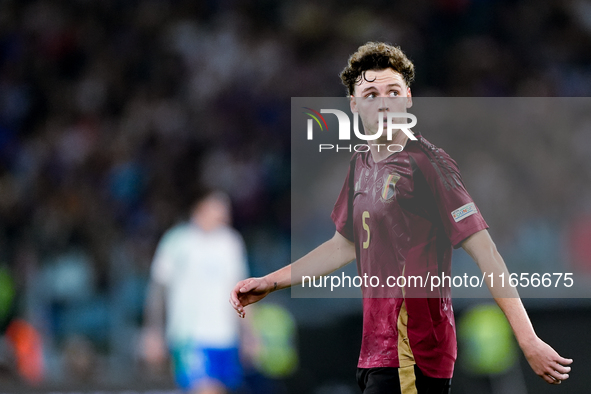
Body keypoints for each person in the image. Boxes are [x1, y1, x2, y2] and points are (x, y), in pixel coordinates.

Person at [229, 42, 573, 394]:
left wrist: (528, 340)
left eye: (392, 91)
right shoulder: (360, 164)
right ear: (354, 104)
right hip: (376, 352)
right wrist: (270, 282)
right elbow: (344, 245)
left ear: (407, 98)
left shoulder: (429, 164)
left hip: (415, 351)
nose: (382, 102)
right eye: (371, 93)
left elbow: (488, 254)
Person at [144, 190, 248, 394]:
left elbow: (242, 291)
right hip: (190, 334)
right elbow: (158, 289)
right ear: (200, 209)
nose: (224, 215)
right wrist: (153, 330)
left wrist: (248, 333)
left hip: (225, 335)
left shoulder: (231, 243)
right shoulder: (177, 241)